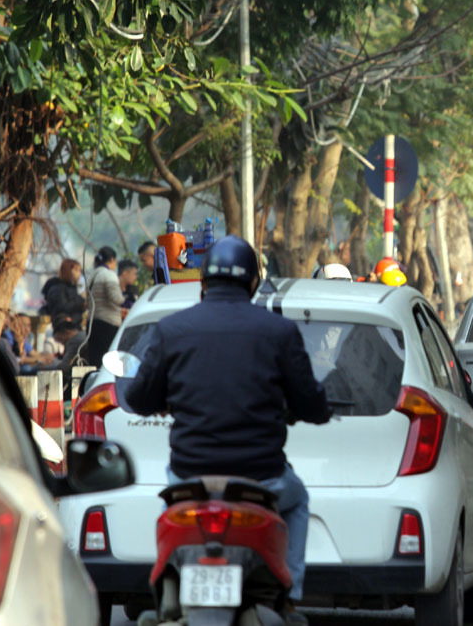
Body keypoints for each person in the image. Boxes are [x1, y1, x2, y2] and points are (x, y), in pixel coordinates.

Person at [124, 235, 331, 623]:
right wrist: (311, 410)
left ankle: (168, 587)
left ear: (203, 282)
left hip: (189, 477)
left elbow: (138, 398)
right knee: (298, 500)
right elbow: (311, 403)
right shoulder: (279, 332)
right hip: (263, 479)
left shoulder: (172, 329)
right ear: (253, 282)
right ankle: (291, 597)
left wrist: (167, 400)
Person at [85, 246, 125, 368]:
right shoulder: (109, 275)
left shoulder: (91, 276)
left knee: (95, 361)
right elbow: (116, 298)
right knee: (108, 362)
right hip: (108, 325)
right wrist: (126, 301)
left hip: (92, 324)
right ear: (112, 259)